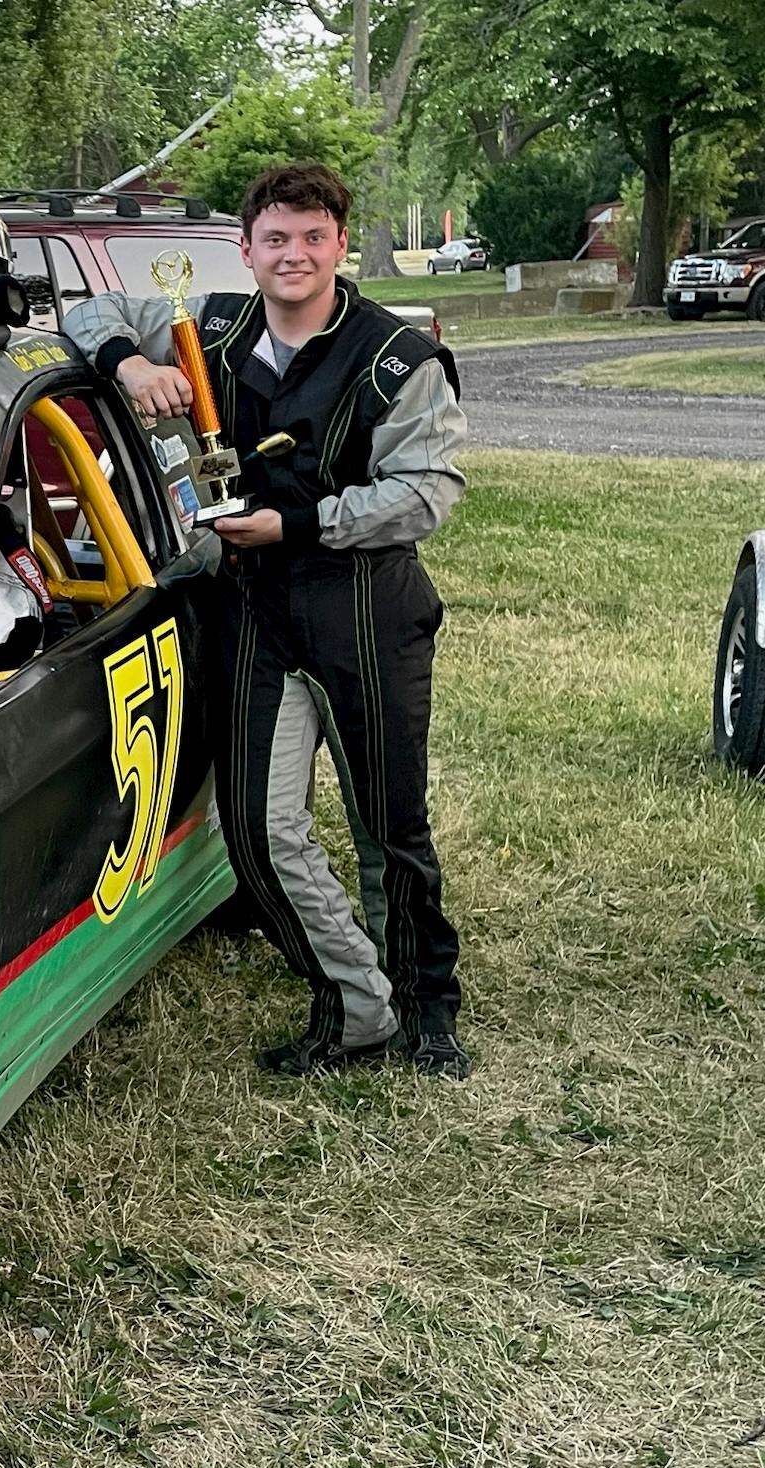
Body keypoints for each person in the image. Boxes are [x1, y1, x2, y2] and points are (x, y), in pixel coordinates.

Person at [64, 162, 473, 1079]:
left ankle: (426, 1007)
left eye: (312, 237)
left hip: (364, 605)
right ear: (244, 251)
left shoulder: (396, 358)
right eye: (275, 239)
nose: (294, 254)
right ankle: (358, 1006)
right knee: (254, 828)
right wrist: (128, 363)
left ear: (339, 244)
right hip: (251, 609)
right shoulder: (205, 325)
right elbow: (79, 314)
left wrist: (301, 523)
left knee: (388, 825)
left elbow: (428, 494)